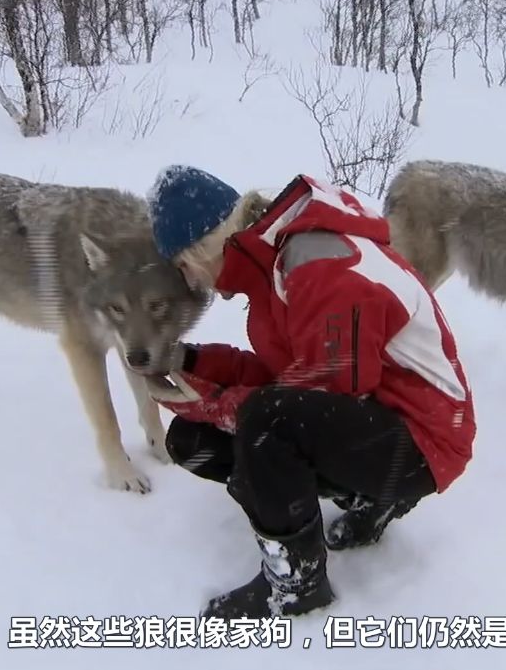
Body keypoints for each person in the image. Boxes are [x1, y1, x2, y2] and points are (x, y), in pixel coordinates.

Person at [143, 165, 477, 620]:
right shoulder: (277, 264)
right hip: (377, 421)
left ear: (204, 243)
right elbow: (289, 373)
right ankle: (360, 498)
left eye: (184, 264)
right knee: (191, 440)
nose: (189, 281)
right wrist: (192, 362)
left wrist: (219, 406)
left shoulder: (317, 261)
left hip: (426, 439)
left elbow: (334, 382)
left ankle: (296, 583)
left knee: (267, 422)